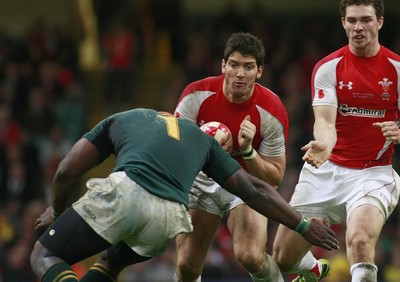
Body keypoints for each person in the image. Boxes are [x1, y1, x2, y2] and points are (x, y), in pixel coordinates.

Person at [30, 108, 339, 282]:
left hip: (126, 193)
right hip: (169, 219)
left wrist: (56, 212)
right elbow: (254, 189)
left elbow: (66, 171)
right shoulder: (204, 144)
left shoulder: (127, 117)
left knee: (44, 255)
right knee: (109, 263)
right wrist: (302, 225)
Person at [272, 1, 400, 281]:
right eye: (352, 21)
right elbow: (325, 122)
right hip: (326, 170)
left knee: (359, 240)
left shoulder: (397, 68)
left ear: (380, 22)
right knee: (283, 257)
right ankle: (314, 268)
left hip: (372, 172)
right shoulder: (328, 67)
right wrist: (325, 145)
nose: (358, 28)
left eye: (366, 20)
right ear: (343, 22)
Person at [173, 32, 289, 282]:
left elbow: (275, 177)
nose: (240, 73)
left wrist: (248, 152)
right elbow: (176, 153)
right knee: (186, 267)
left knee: (251, 256)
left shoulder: (271, 110)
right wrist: (206, 153)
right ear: (223, 65)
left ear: (259, 71)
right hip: (202, 181)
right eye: (234, 64)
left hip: (244, 182)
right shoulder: (195, 95)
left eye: (248, 67)